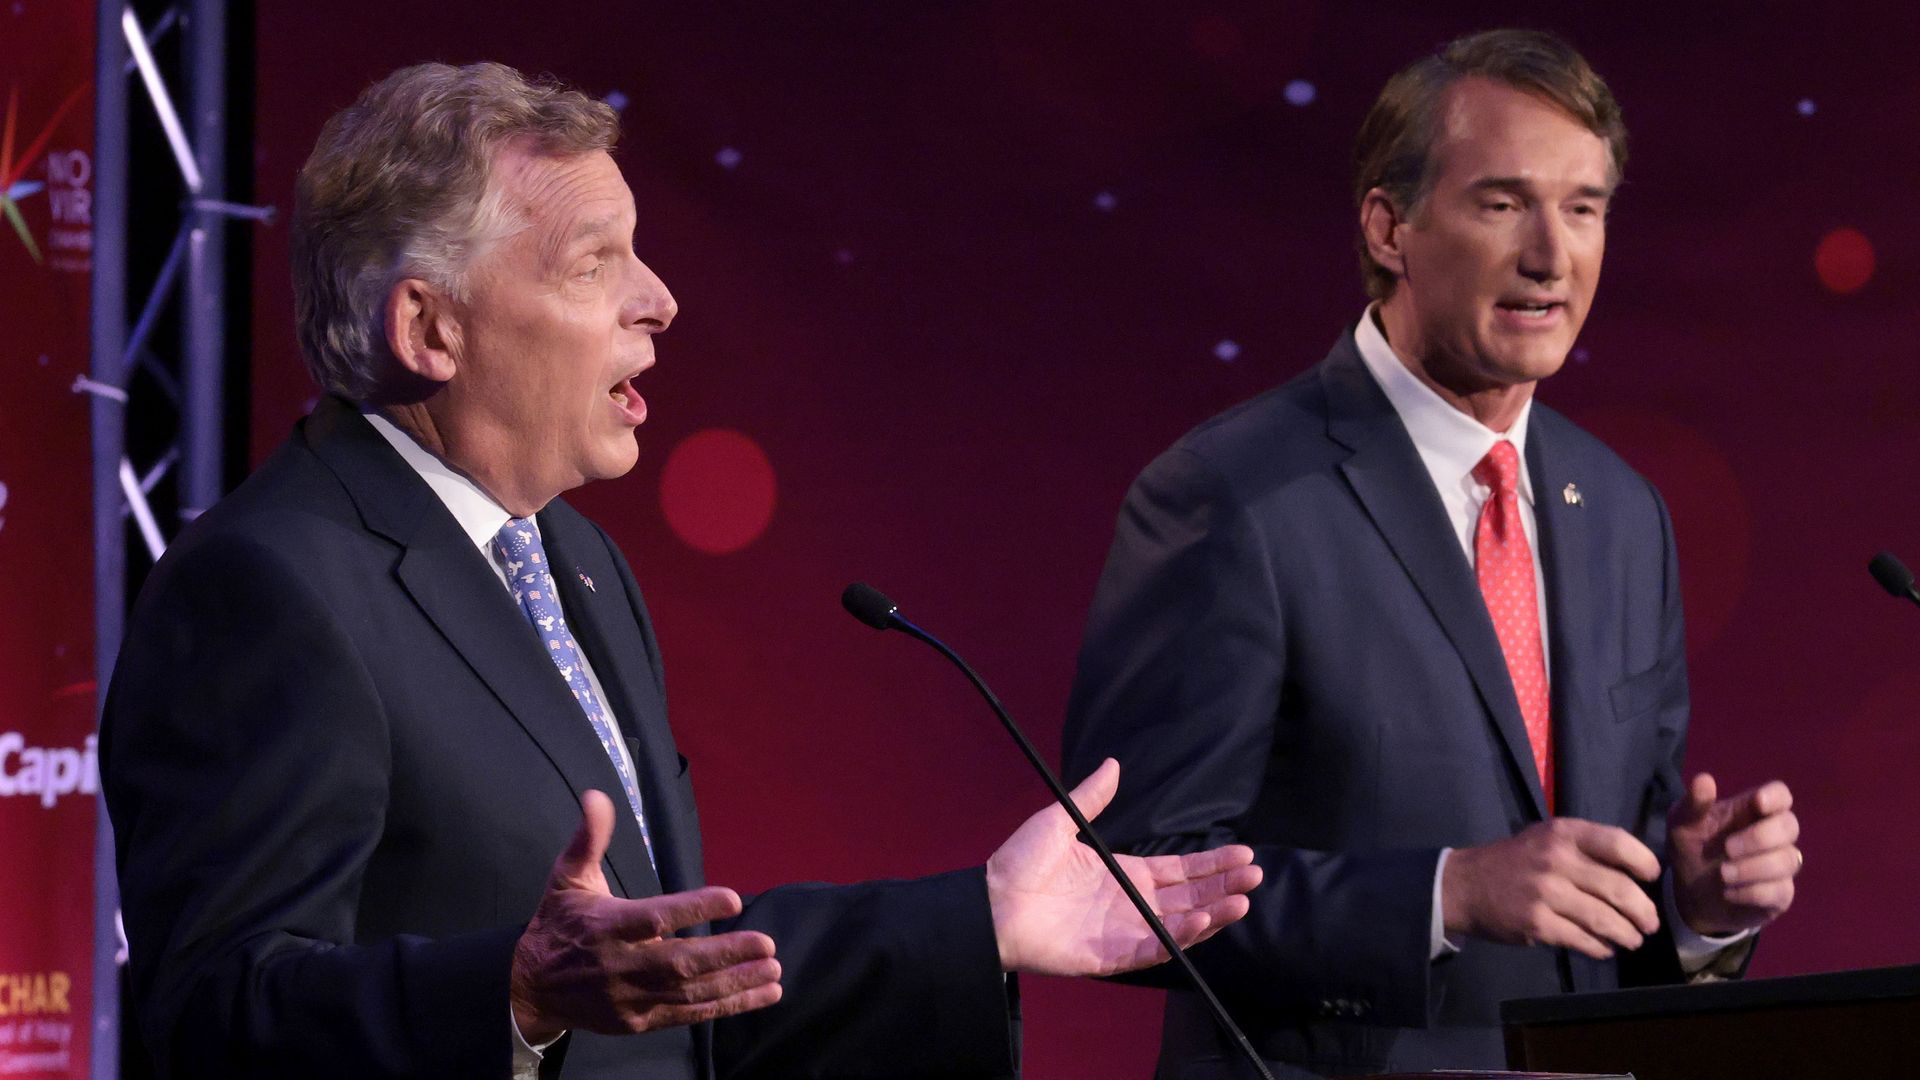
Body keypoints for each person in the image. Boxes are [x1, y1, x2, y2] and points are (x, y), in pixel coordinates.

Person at [100, 61, 1263, 1080]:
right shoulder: (266, 588)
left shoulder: (575, 560)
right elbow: (211, 1019)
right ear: (430, 331)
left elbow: (673, 1004)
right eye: (594, 263)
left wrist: (980, 923)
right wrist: (512, 996)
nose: (658, 301)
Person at [1060, 28, 1803, 1078]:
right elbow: (1122, 884)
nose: (1553, 254)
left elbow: (1597, 896)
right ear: (1390, 225)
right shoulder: (1233, 497)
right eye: (1503, 203)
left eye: (1584, 207)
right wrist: (1441, 896)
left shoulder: (1627, 515)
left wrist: (1693, 910)